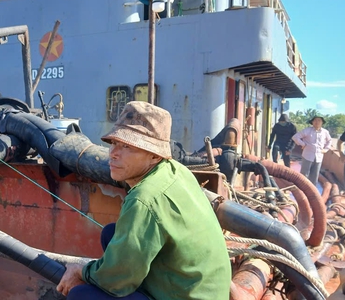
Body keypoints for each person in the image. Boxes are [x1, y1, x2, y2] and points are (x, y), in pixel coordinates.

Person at [56, 101, 231, 300]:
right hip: (205, 289)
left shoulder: (145, 198)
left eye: (127, 146)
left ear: (155, 156)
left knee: (80, 295)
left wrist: (81, 271)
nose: (113, 153)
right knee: (111, 234)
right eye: (113, 143)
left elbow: (113, 281)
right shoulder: (176, 170)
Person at [292, 115, 332, 187]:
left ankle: (312, 190)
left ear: (322, 123)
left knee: (315, 175)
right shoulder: (307, 130)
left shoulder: (325, 132)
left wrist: (326, 149)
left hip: (319, 156)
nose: (317, 122)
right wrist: (303, 144)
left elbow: (329, 141)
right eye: (315, 120)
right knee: (304, 174)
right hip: (308, 155)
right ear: (312, 122)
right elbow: (295, 137)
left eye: (319, 120)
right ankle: (302, 188)